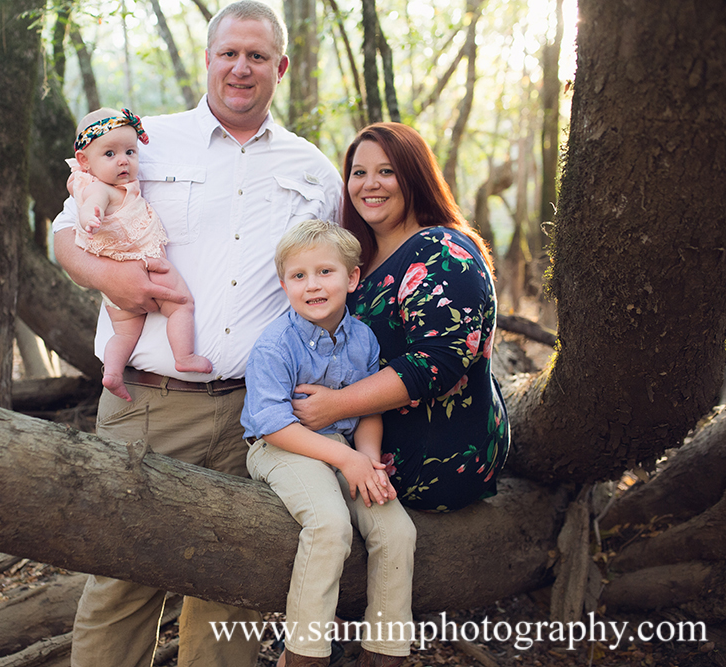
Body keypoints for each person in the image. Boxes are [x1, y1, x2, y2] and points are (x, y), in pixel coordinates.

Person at [52, 2, 343, 665]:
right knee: (123, 577)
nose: (241, 68)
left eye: (258, 56)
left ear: (281, 67)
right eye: (229, 53)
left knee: (231, 583)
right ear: (208, 59)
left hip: (258, 414)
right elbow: (62, 231)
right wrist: (111, 279)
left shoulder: (313, 171)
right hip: (150, 402)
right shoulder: (143, 140)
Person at [292, 122, 510, 514]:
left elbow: (437, 362)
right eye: (359, 173)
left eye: (386, 171)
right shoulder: (360, 259)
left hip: (434, 465)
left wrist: (338, 406)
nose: (369, 184)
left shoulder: (439, 249)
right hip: (361, 454)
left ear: (415, 176)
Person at [242, 219, 415, 667]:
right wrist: (345, 458)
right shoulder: (275, 344)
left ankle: (384, 652)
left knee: (397, 530)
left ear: (352, 277)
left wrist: (369, 461)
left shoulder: (363, 338)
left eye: (325, 272)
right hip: (281, 448)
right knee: (329, 525)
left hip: (344, 450)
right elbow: (273, 424)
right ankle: (304, 654)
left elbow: (369, 410)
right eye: (299, 276)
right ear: (284, 285)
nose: (312, 285)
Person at [67, 106, 212, 400]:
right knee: (181, 306)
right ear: (85, 161)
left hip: (118, 281)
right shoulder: (101, 189)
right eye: (110, 154)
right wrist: (90, 216)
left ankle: (112, 373)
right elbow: (91, 203)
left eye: (130, 152)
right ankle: (184, 355)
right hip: (145, 265)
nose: (123, 161)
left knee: (124, 334)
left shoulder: (103, 183)